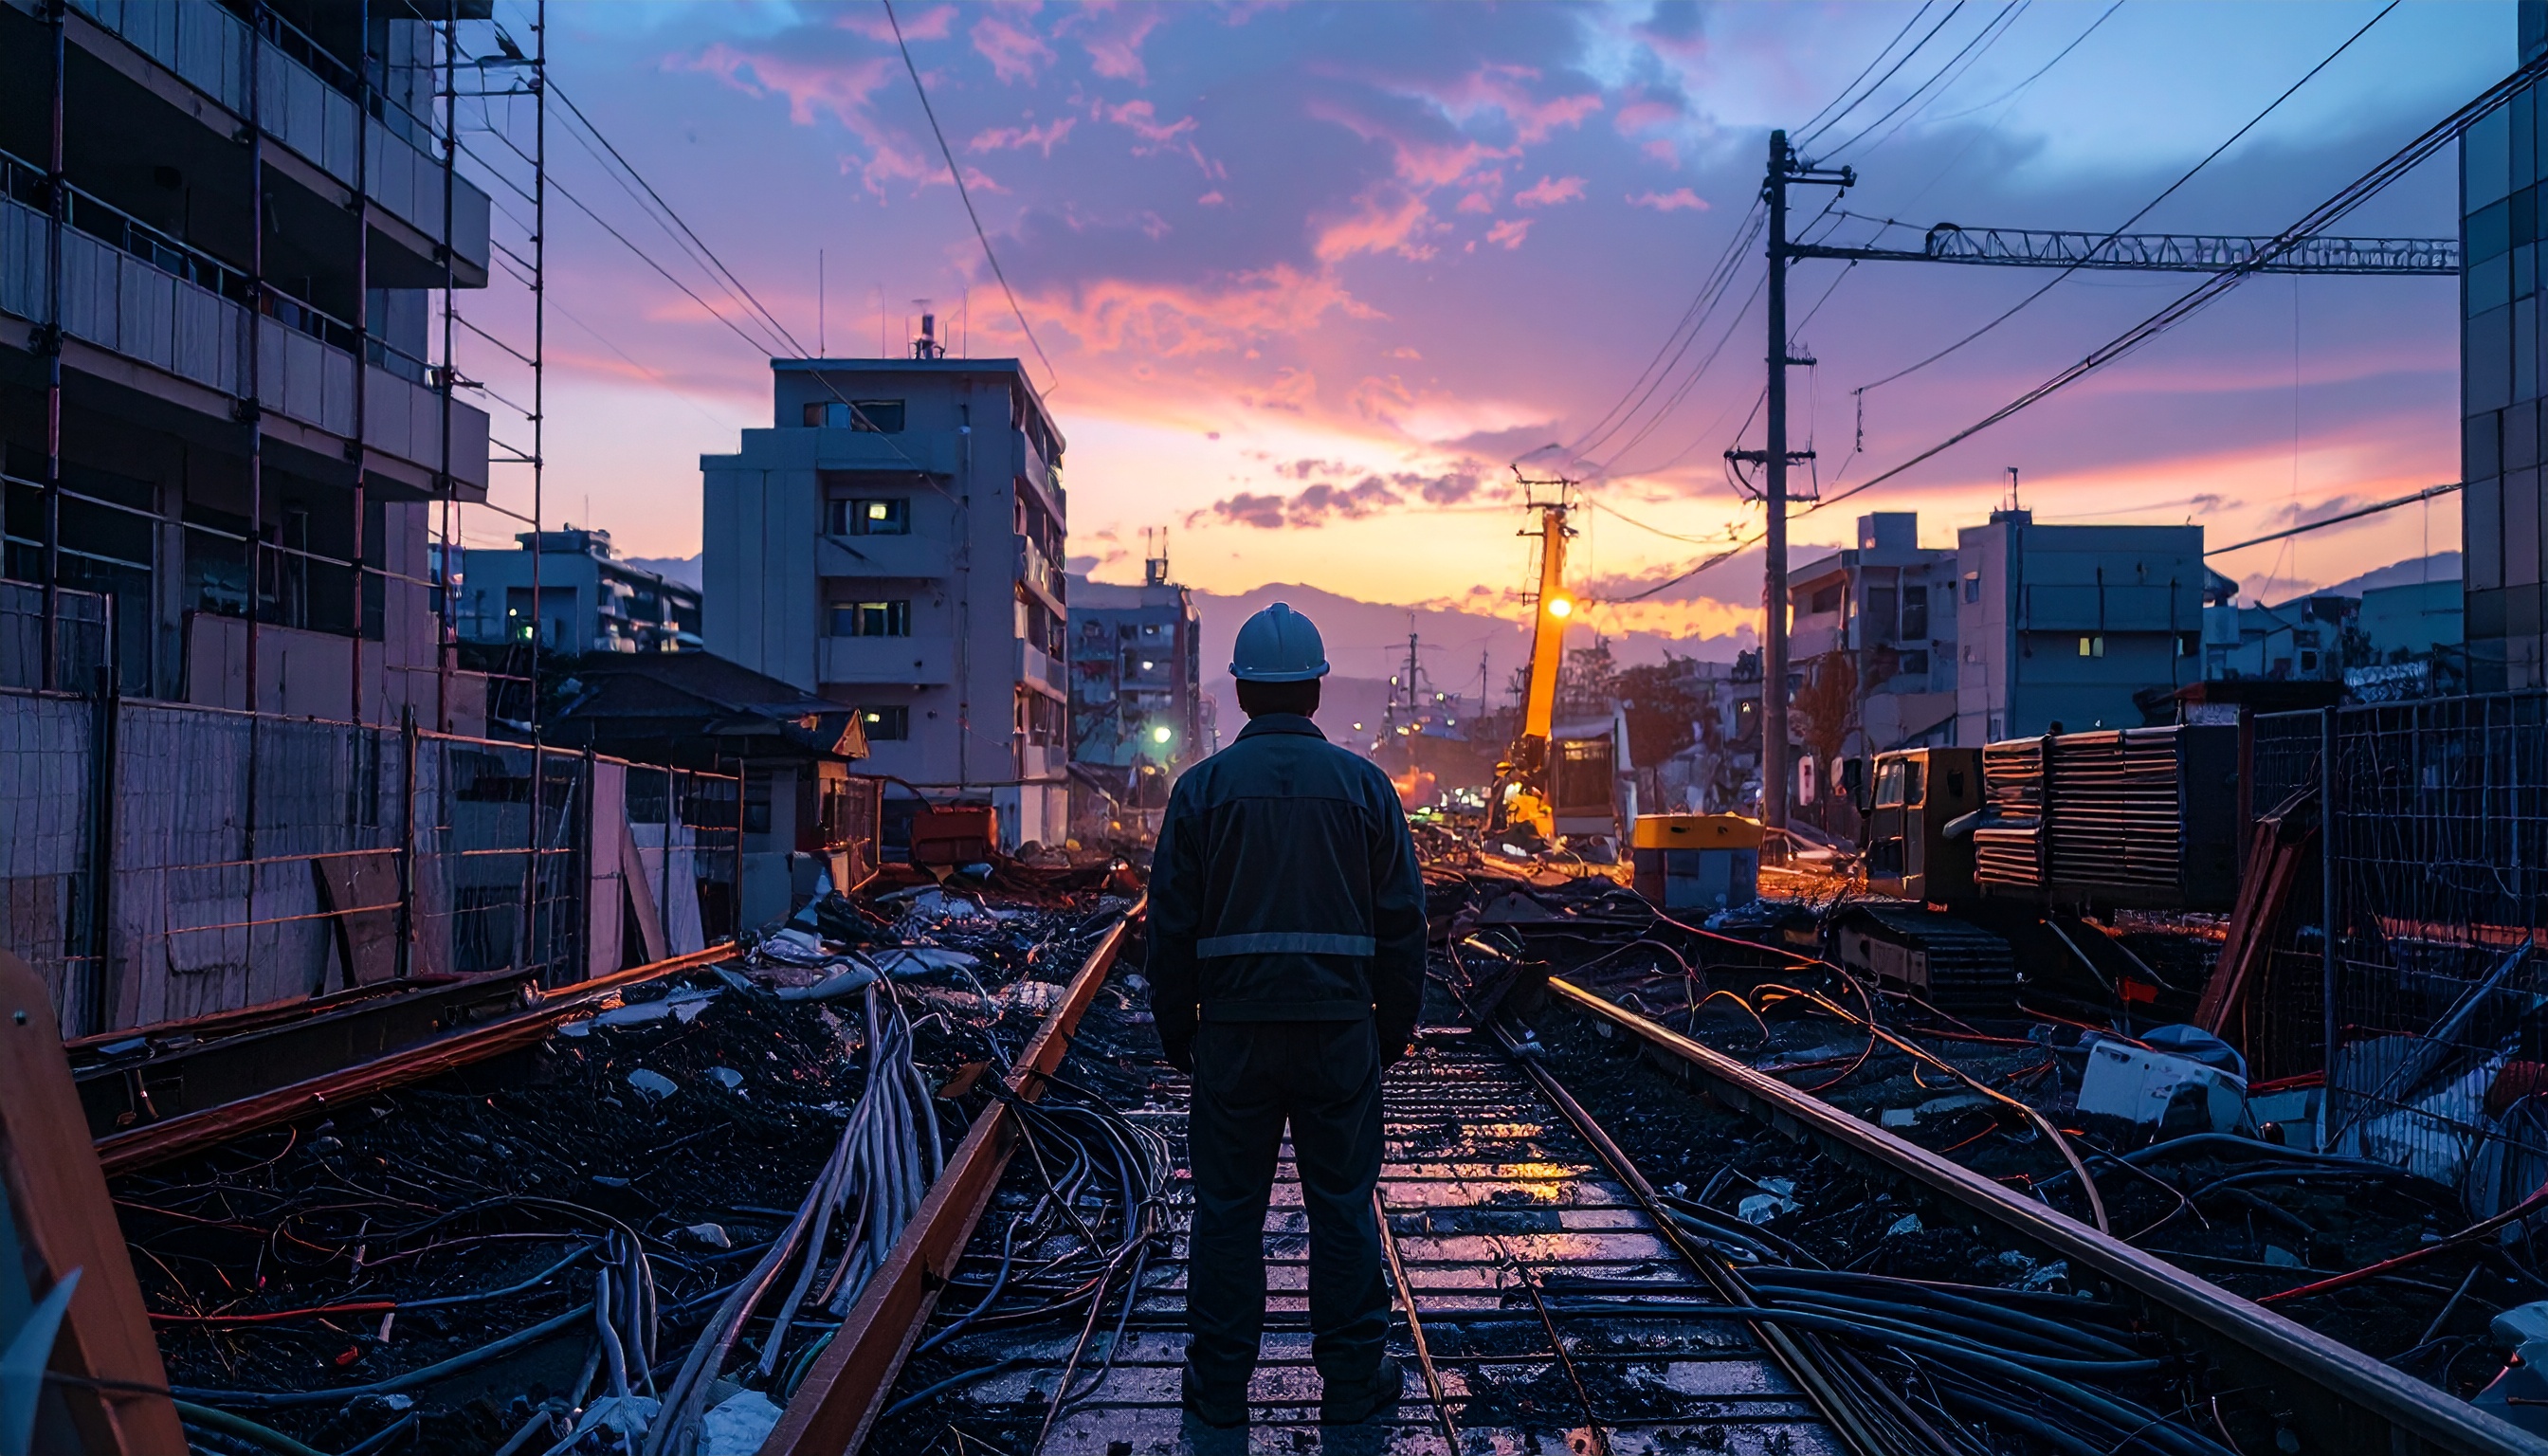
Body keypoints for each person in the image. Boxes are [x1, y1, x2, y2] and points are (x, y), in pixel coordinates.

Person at [1146, 601, 1427, 1430]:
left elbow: (1169, 928)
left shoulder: (1199, 793)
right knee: (1342, 1206)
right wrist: (1390, 1031)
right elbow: (1404, 924)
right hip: (1341, 1033)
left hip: (1231, 1039)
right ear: (1315, 690)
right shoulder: (1365, 789)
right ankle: (1350, 1384)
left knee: (1228, 1212)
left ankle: (1220, 1389)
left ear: (1240, 693)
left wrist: (1180, 1034)